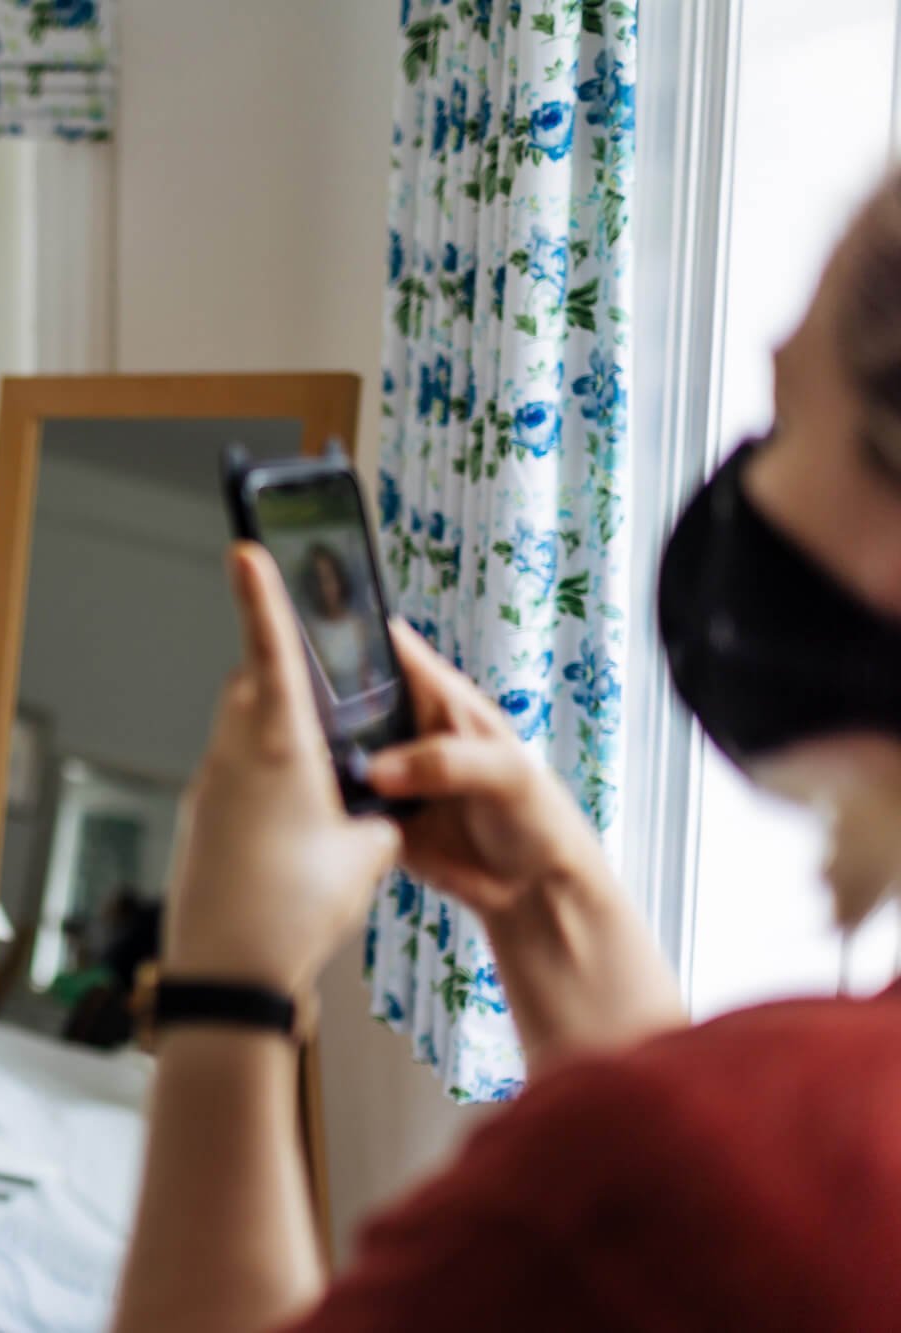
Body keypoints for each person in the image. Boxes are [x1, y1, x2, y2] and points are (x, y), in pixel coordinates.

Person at [109, 167, 901, 1332]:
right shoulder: (765, 1153)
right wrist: (546, 895)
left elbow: (691, 1188)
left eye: (785, 421)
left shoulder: (620, 1182)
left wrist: (224, 983)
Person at [298, 544, 375, 696]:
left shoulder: (357, 623)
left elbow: (366, 675)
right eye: (318, 580)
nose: (325, 588)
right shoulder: (311, 631)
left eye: (328, 578)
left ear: (339, 578)